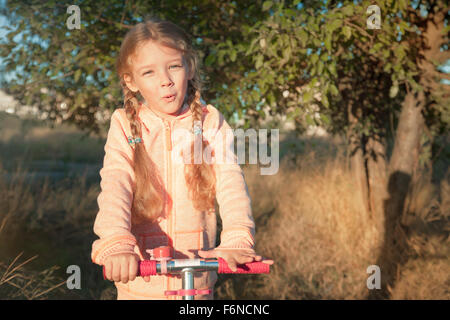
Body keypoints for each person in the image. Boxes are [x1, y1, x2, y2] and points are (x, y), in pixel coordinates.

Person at [91, 17, 273, 300]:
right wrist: (116, 244)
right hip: (141, 283)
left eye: (174, 66)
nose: (166, 81)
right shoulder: (125, 125)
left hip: (198, 282)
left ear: (188, 67)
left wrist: (237, 237)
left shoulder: (210, 122)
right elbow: (115, 184)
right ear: (131, 81)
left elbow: (230, 181)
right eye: (149, 72)